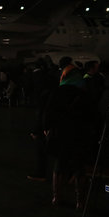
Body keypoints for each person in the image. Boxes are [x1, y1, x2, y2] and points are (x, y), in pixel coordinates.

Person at [43, 64, 94, 209]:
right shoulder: (83, 93)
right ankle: (80, 201)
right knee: (79, 167)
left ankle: (56, 197)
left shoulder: (58, 92)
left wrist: (47, 128)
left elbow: (48, 113)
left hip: (61, 134)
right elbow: (91, 116)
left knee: (60, 165)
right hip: (79, 134)